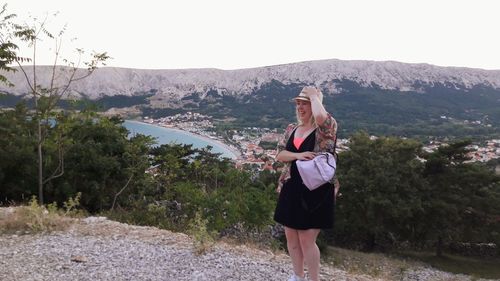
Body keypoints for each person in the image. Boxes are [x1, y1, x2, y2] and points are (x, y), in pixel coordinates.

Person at [274, 86, 339, 281]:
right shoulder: (291, 129)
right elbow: (280, 155)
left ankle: (313, 279)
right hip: (292, 187)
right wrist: (297, 155)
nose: (301, 107)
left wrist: (314, 94)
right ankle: (297, 276)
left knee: (307, 240)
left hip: (316, 191)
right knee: (291, 238)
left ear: (315, 104)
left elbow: (321, 118)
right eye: (299, 103)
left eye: (305, 103)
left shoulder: (325, 128)